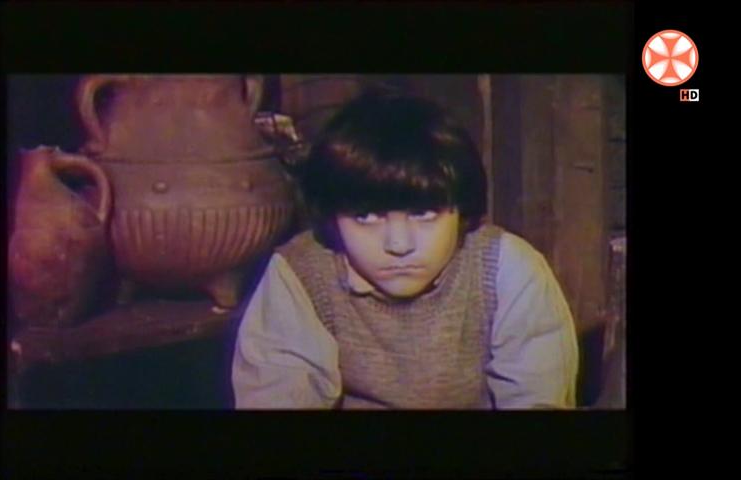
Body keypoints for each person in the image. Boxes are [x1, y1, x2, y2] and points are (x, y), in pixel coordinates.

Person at [232, 91, 578, 409]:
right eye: (366, 217)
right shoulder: (302, 273)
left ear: (460, 210)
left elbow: (537, 402)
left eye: (424, 214)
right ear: (333, 217)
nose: (399, 245)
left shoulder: (505, 268)